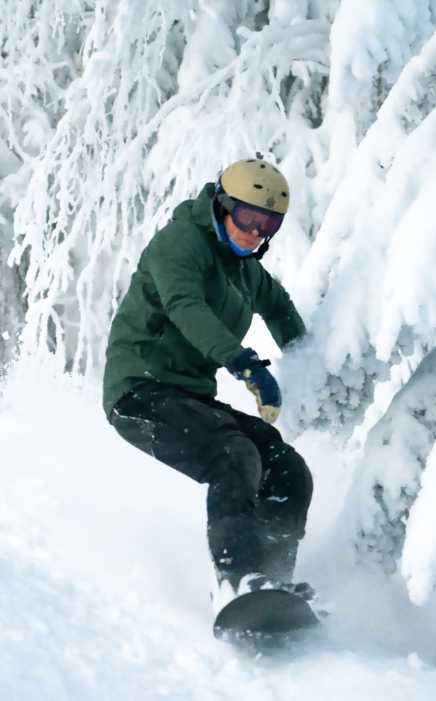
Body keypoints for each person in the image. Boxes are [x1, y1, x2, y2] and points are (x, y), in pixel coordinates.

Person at [102, 158, 313, 607]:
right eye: (248, 218)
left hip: (189, 396)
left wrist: (315, 367)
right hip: (139, 391)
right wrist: (245, 364)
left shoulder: (246, 273)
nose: (256, 234)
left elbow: (280, 310)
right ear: (222, 206)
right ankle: (239, 581)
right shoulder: (179, 244)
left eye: (269, 225)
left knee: (285, 466)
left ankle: (272, 582)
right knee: (232, 453)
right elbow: (185, 305)